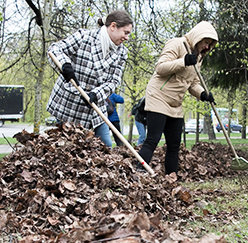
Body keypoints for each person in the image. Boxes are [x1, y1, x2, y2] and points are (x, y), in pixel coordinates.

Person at [137, 21, 218, 176]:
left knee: (174, 145)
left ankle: (171, 179)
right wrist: (183, 61)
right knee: (153, 139)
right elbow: (160, 68)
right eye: (206, 42)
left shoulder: (199, 57)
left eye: (210, 45)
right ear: (198, 37)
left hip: (175, 103)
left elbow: (193, 82)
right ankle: (138, 173)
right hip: (158, 97)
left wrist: (202, 94)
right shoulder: (176, 44)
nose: (207, 47)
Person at [47, 11, 133, 144]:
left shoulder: (122, 53)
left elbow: (114, 81)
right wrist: (65, 65)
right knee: (68, 146)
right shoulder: (85, 36)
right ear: (113, 26)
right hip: (70, 103)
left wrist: (96, 93)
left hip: (95, 106)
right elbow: (55, 49)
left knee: (106, 144)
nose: (127, 37)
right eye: (125, 32)